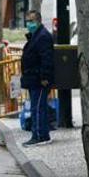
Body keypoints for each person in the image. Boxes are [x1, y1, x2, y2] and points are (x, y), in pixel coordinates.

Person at [21, 10, 55, 146]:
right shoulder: (36, 36)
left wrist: (44, 77)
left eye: (32, 21)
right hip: (34, 78)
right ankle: (42, 134)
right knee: (38, 106)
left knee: (38, 108)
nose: (29, 24)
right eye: (28, 21)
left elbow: (46, 59)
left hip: (39, 79)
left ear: (39, 21)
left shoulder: (42, 37)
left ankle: (39, 135)